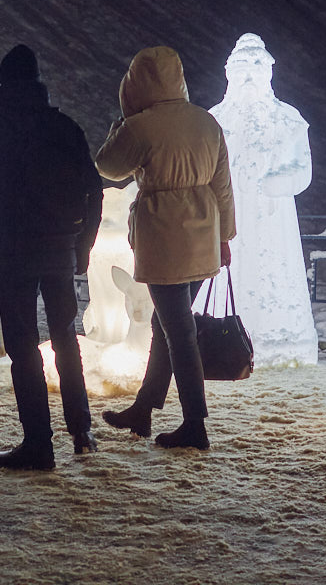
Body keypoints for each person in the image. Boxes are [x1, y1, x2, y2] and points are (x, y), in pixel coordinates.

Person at [0, 44, 103, 470]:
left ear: (2, 83)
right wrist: (84, 246)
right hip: (59, 247)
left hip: (12, 248)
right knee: (64, 336)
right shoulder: (62, 126)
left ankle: (38, 444)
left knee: (23, 346)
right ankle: (82, 431)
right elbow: (93, 190)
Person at [94, 45, 235, 450]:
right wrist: (224, 237)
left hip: (164, 235)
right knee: (168, 324)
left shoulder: (142, 127)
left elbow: (108, 166)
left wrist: (122, 123)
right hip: (203, 233)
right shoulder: (207, 123)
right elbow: (222, 187)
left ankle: (195, 424)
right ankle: (144, 407)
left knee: (179, 331)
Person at [203, 33, 316, 365]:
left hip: (272, 216)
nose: (249, 77)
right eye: (241, 69)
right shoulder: (215, 119)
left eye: (255, 68)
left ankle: (279, 346)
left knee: (272, 273)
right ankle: (219, 340)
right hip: (228, 212)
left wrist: (276, 183)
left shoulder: (288, 118)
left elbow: (302, 168)